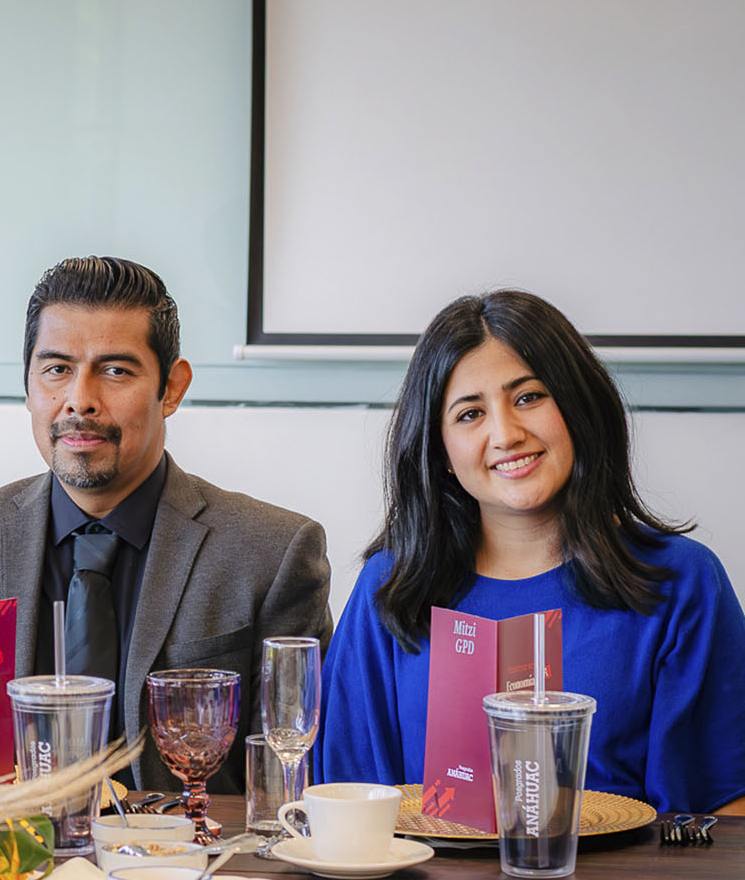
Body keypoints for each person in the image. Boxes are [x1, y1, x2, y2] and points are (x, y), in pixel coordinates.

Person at [0, 256, 332, 797]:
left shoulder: (270, 553)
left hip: (188, 868)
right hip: (1, 869)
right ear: (27, 386)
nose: (80, 400)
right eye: (57, 369)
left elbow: (294, 778)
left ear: (172, 388)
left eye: (115, 370)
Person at [319, 290, 745, 814]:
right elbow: (344, 807)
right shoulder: (390, 587)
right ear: (442, 453)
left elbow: (719, 815)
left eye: (528, 397)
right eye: (470, 414)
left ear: (578, 406)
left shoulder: (682, 581)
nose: (506, 434)